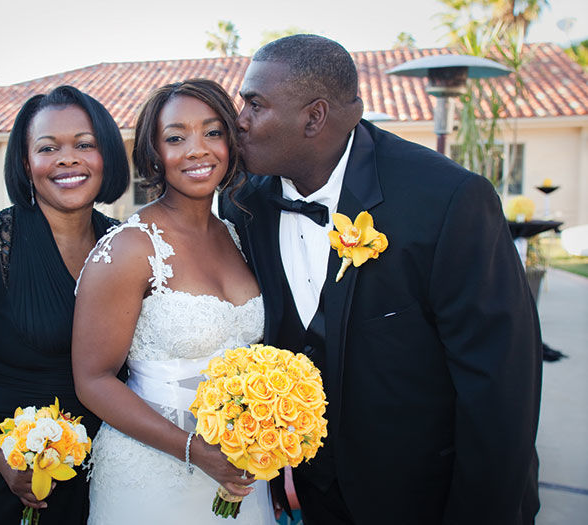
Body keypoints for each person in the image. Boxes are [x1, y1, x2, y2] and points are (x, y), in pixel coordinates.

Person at [219, 35, 542, 524]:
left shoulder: (447, 199)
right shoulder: (244, 200)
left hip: (423, 499)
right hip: (309, 495)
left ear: (314, 117)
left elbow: (500, 386)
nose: (237, 119)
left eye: (254, 104)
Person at [0, 85, 130, 524]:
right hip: (12, 478)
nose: (68, 159)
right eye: (48, 147)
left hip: (113, 468)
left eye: (84, 144)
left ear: (106, 154)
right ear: (26, 162)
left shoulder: (126, 244)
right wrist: (3, 458)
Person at [72, 79, 276, 524]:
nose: (197, 150)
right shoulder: (128, 248)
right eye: (176, 138)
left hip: (240, 471)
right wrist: (194, 451)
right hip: (152, 477)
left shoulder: (239, 236)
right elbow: (93, 380)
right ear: (154, 155)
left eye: (213, 132)